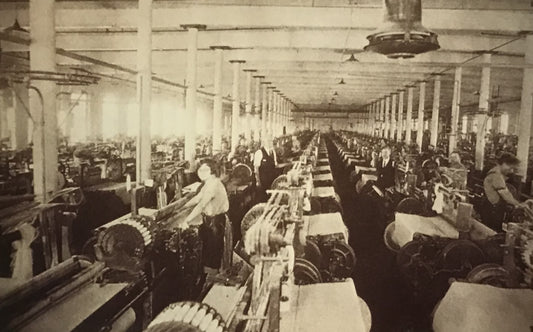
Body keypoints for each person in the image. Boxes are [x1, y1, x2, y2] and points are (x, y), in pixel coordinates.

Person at [182, 159, 231, 276]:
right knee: (208, 252)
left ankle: (211, 280)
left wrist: (186, 220)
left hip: (215, 224)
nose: (201, 172)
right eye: (200, 169)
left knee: (212, 254)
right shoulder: (209, 183)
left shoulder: (213, 185)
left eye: (205, 170)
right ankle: (208, 276)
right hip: (210, 222)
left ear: (212, 171)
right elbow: (198, 198)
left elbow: (202, 204)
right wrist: (180, 207)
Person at [480, 153, 526, 231]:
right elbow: (506, 195)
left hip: (490, 207)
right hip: (492, 210)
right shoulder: (496, 175)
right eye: (510, 168)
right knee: (493, 232)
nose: (511, 171)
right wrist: (519, 205)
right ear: (504, 163)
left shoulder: (494, 172)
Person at [254, 137, 278, 202]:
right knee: (263, 199)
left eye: (271, 141)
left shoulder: (273, 152)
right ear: (264, 143)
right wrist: (258, 182)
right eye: (268, 141)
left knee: (272, 199)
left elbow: (275, 165)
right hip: (263, 181)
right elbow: (256, 169)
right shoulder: (259, 152)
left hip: (272, 180)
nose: (270, 143)